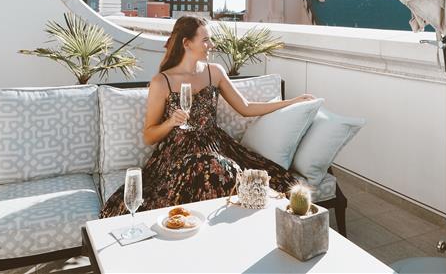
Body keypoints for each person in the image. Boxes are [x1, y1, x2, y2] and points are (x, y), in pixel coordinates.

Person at [100, 16, 314, 218]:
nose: (211, 45)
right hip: (178, 152)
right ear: (187, 43)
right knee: (209, 168)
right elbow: (149, 135)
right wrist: (170, 122)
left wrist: (292, 101)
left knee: (245, 175)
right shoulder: (161, 81)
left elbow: (246, 108)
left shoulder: (215, 72)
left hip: (216, 145)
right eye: (205, 40)